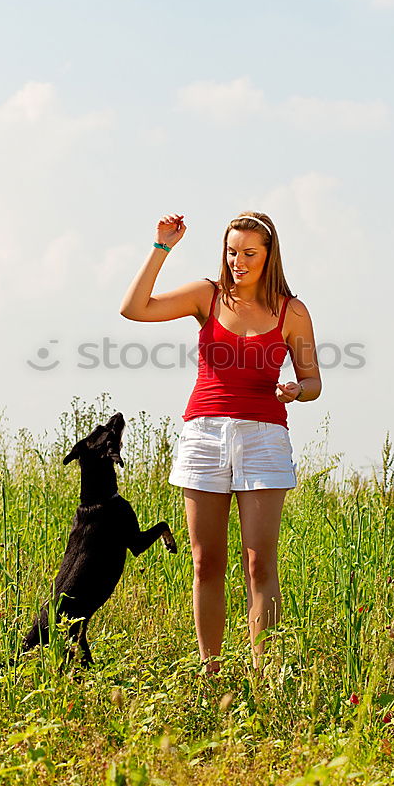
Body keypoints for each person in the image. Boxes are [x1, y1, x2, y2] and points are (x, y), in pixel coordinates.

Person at [120, 211, 321, 673]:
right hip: (204, 436)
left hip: (264, 439)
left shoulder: (292, 311)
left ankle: (265, 676)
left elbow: (313, 381)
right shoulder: (206, 295)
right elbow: (134, 308)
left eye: (250, 253)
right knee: (205, 563)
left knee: (259, 566)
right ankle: (211, 677)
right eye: (233, 252)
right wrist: (161, 248)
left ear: (269, 255)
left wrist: (297, 390)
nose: (239, 261)